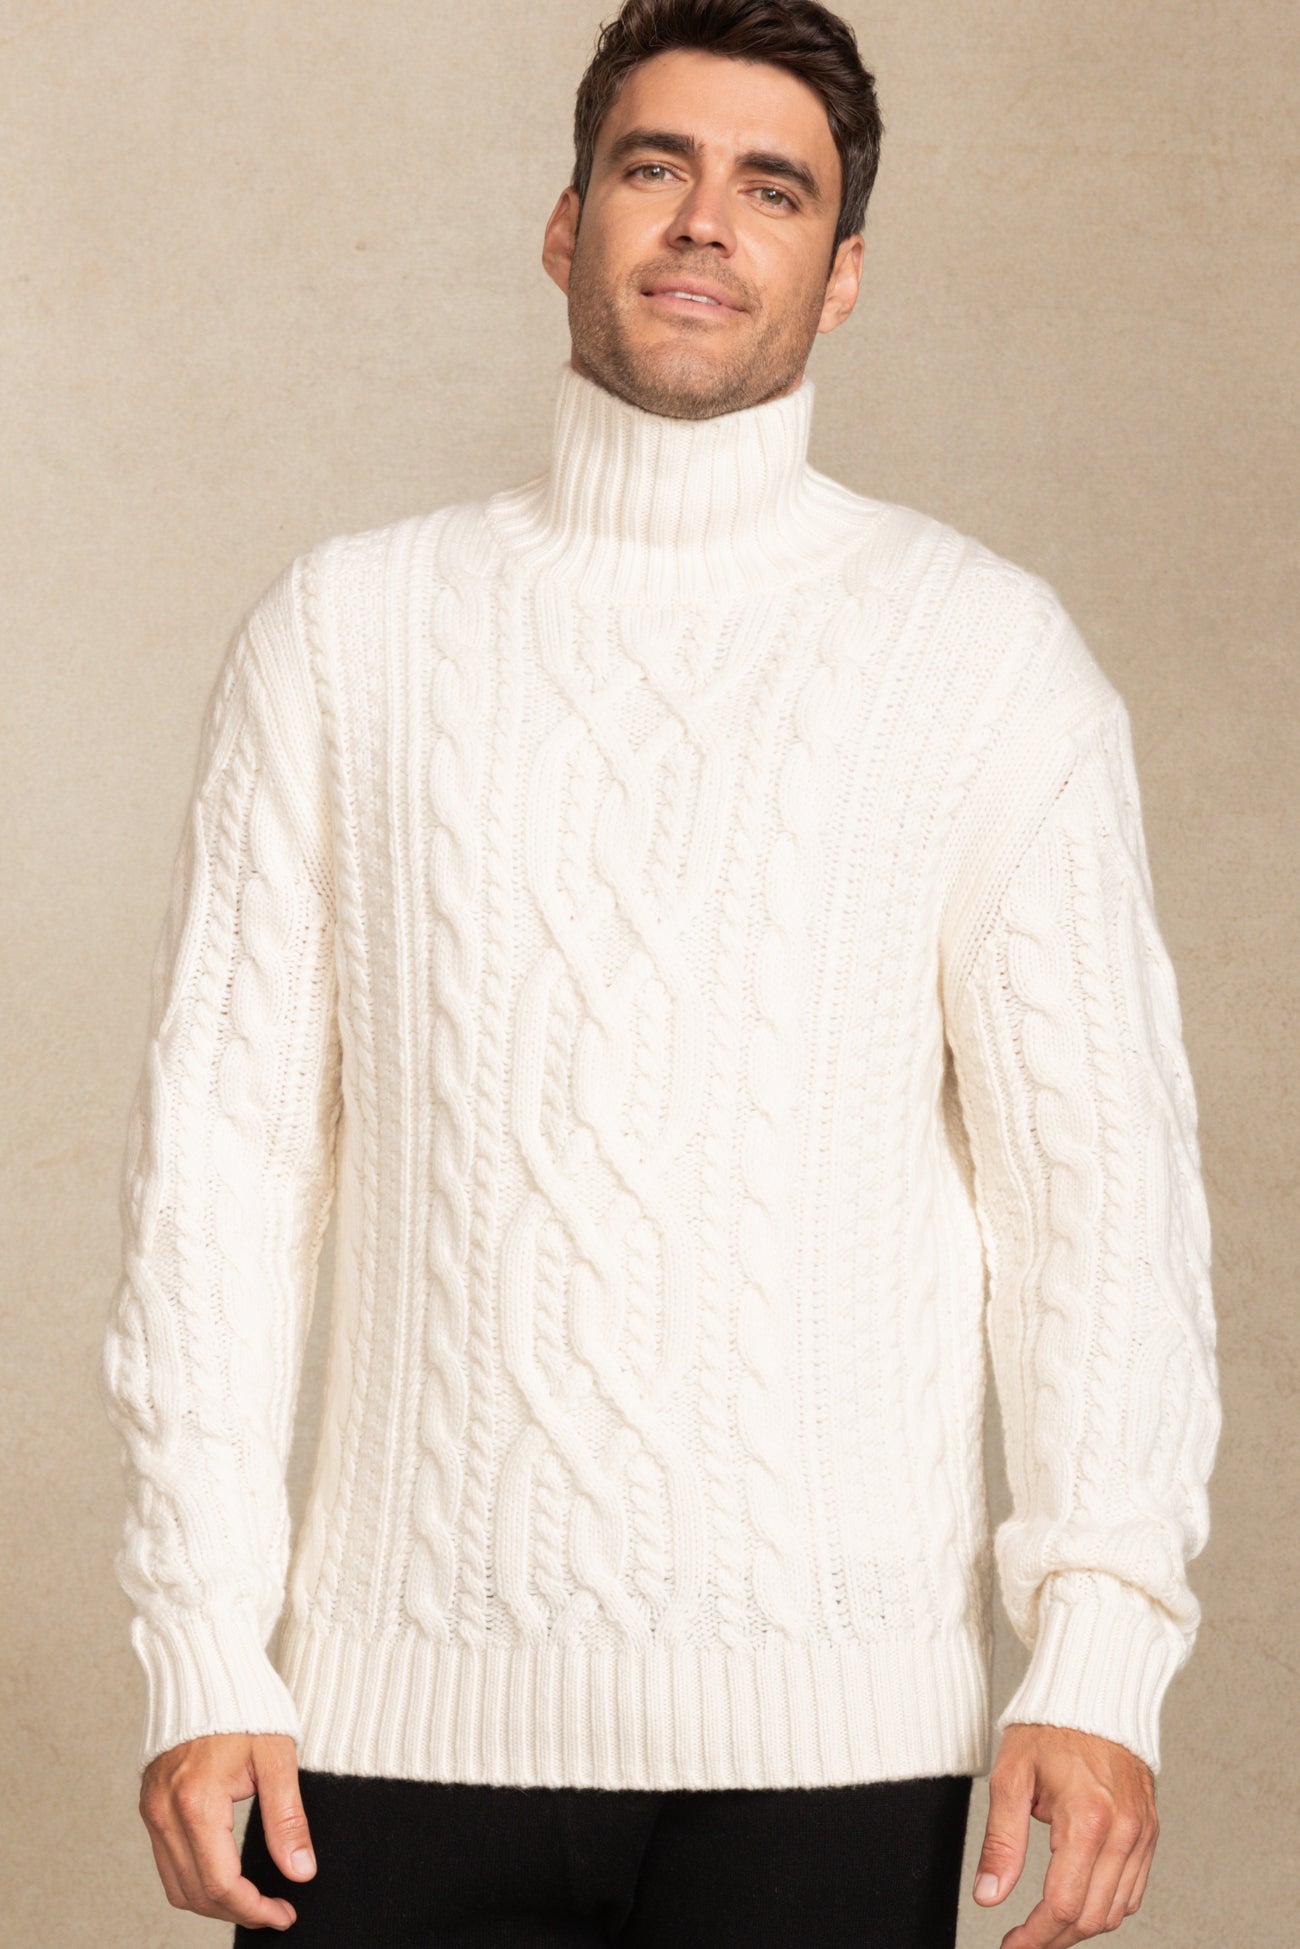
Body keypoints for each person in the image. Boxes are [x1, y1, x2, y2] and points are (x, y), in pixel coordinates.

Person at [98, 2, 1222, 1944]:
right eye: (654, 167)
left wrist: (1098, 1647)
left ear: (840, 274)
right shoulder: (344, 638)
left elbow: (1096, 1201)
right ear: (566, 225)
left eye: (771, 188)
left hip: (835, 1746)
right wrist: (200, 1641)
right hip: (384, 1737)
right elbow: (218, 1186)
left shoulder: (980, 659)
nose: (705, 220)